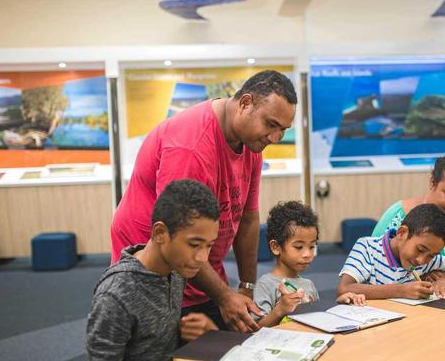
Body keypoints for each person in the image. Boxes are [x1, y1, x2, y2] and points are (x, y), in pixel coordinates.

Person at [110, 70, 298, 333]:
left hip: (199, 263)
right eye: (270, 125)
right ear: (245, 103)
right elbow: (179, 235)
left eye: (283, 130)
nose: (275, 138)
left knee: (225, 341)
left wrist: (246, 287)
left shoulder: (252, 143)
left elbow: (247, 218)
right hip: (155, 271)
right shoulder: (192, 146)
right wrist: (224, 296)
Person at [87, 180, 220, 360]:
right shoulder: (115, 296)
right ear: (159, 233)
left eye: (209, 245)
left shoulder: (175, 270)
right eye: (194, 244)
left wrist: (205, 333)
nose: (202, 258)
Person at [254, 201, 365, 327]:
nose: (307, 254)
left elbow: (317, 318)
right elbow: (255, 330)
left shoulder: (308, 285)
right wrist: (279, 310)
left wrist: (340, 304)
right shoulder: (265, 285)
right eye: (299, 247)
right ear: (276, 247)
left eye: (312, 246)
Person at [338, 204, 445, 300]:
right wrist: (401, 290)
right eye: (420, 249)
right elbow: (345, 288)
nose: (421, 260)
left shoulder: (428, 260)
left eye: (431, 255)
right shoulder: (367, 248)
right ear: (402, 233)